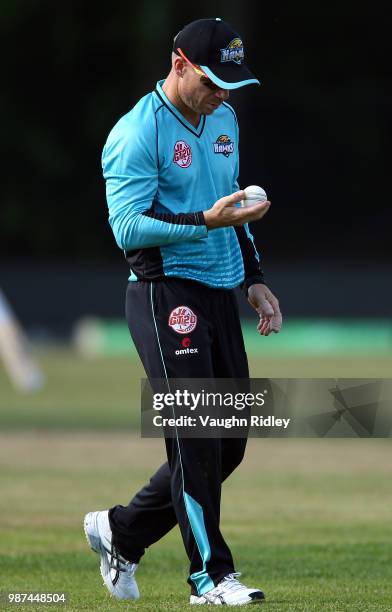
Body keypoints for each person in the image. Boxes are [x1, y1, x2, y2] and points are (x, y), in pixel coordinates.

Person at [84, 17, 282, 606]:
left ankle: (121, 530)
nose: (223, 95)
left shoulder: (223, 119)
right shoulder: (135, 132)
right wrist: (204, 223)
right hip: (163, 294)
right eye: (214, 82)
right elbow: (127, 229)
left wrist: (254, 279)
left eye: (232, 85)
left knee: (232, 442)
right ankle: (210, 578)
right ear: (179, 64)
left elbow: (228, 199)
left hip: (221, 293)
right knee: (196, 438)